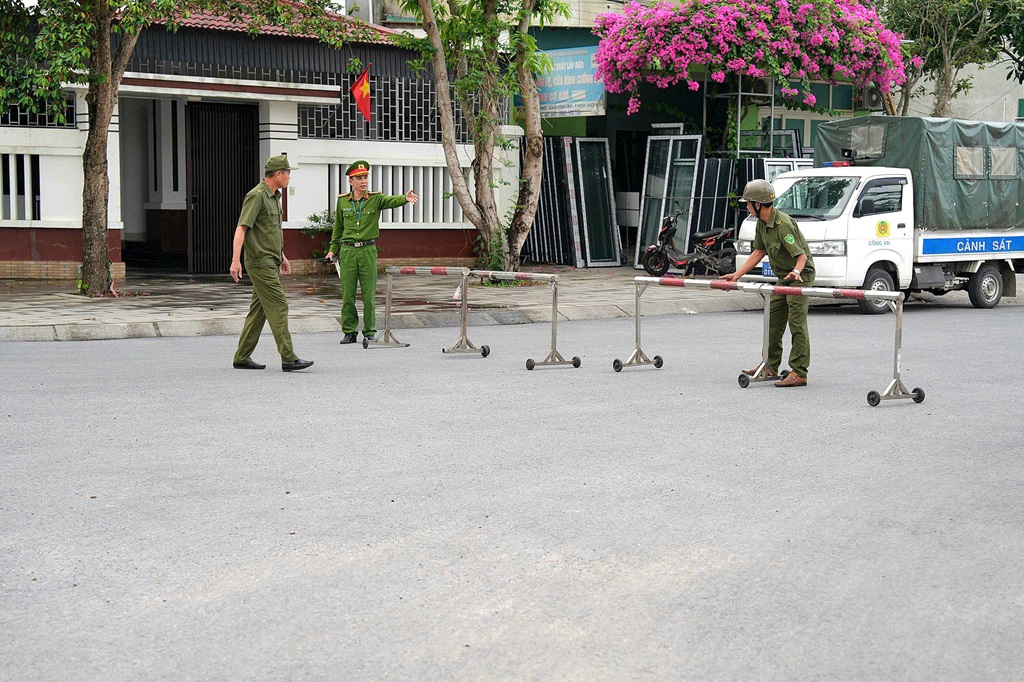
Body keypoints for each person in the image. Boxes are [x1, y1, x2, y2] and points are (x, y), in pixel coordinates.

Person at [720, 179, 814, 387]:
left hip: (800, 276)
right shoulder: (762, 224)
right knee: (773, 320)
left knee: (796, 323)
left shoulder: (783, 225)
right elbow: (759, 251)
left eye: (748, 203)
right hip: (784, 277)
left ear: (759, 204)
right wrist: (737, 275)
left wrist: (796, 271)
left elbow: (801, 257)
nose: (746, 206)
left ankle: (799, 372)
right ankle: (770, 366)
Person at [229, 153, 314, 372]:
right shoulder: (256, 196)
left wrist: (282, 255)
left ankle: (242, 356)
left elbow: (270, 231)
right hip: (259, 262)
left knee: (259, 311)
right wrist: (235, 261)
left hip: (270, 260)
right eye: (287, 174)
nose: (289, 178)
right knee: (279, 304)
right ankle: (288, 357)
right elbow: (242, 228)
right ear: (278, 174)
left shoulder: (274, 197)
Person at [326, 160, 419, 344]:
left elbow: (390, 201)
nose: (363, 181)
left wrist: (404, 199)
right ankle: (350, 331)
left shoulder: (375, 199)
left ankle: (369, 330)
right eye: (359, 178)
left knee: (369, 294)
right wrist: (331, 251)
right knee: (348, 294)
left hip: (367, 250)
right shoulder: (343, 201)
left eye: (365, 177)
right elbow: (338, 228)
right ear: (351, 181)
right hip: (348, 252)